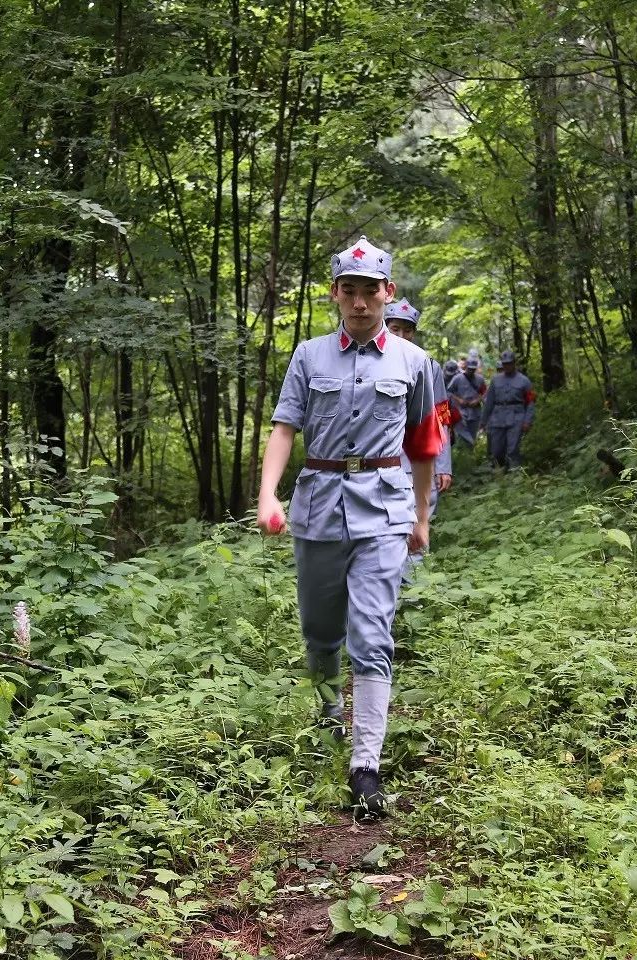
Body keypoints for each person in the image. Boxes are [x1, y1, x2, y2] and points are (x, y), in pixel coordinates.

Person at [257, 237, 443, 817]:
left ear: (389, 294)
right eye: (350, 291)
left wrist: (420, 516)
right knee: (320, 631)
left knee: (372, 632)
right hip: (317, 503)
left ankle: (366, 767)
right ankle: (327, 715)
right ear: (336, 295)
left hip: (384, 508)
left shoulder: (414, 364)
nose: (360, 302)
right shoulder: (310, 356)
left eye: (371, 291)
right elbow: (285, 428)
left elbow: (424, 443)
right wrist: (268, 494)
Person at [385, 298, 453, 584]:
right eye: (395, 328)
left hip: (418, 465)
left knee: (415, 532)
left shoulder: (428, 365)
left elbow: (440, 418)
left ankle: (412, 599)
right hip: (381, 464)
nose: (401, 335)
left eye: (407, 330)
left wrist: (444, 464)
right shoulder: (368, 360)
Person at [483, 349, 535, 468]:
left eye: (509, 363)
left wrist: (527, 421)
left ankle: (515, 475)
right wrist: (484, 421)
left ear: (514, 363)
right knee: (496, 450)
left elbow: (530, 402)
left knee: (512, 449)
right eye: (505, 363)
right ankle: (500, 472)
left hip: (516, 417)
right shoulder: (496, 380)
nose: (507, 366)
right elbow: (489, 402)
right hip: (498, 418)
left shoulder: (524, 381)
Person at [447, 355, 487, 449]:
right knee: (462, 435)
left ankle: (470, 455)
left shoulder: (480, 379)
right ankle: (461, 452)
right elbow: (449, 391)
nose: (471, 371)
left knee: (472, 436)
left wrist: (478, 400)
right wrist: (459, 399)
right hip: (461, 411)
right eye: (470, 369)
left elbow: (484, 392)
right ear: (466, 367)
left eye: (473, 369)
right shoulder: (457, 378)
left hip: (475, 411)